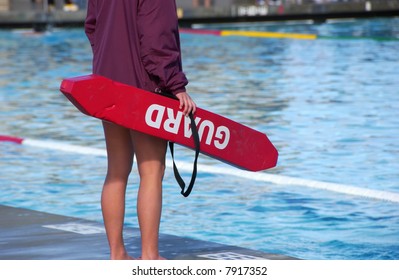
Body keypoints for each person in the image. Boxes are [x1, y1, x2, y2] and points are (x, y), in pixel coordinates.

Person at [84, 0, 196, 260]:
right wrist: (176, 86)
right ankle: (150, 256)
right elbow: (158, 37)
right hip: (144, 88)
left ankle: (117, 254)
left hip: (106, 82)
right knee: (152, 170)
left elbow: (92, 26)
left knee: (116, 171)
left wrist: (107, 59)